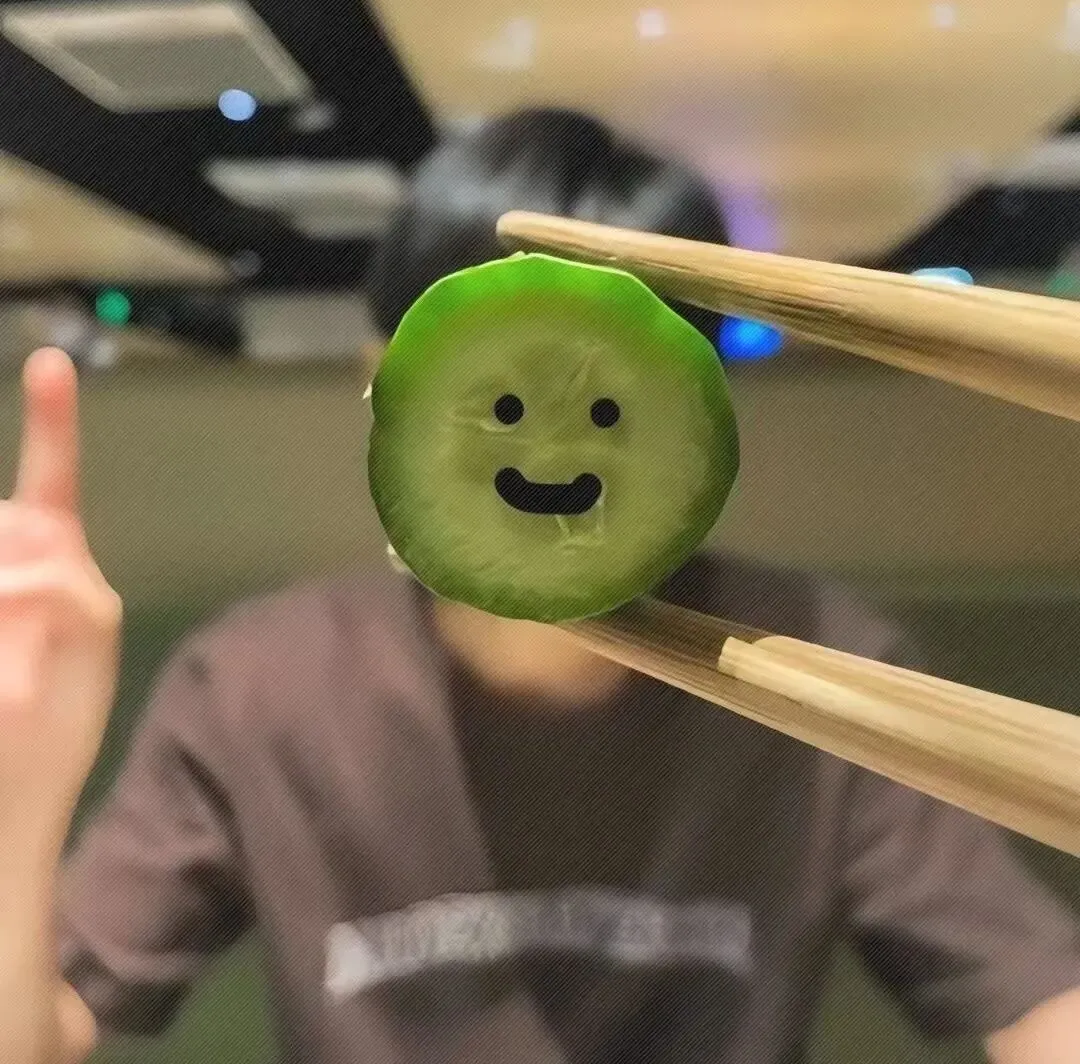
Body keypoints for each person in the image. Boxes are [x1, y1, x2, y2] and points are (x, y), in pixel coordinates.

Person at [2, 108, 1080, 1064]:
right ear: (381, 379)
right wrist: (17, 797)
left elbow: (1047, 1006)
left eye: (611, 401)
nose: (553, 440)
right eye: (497, 393)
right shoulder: (254, 688)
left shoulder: (821, 673)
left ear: (697, 409)